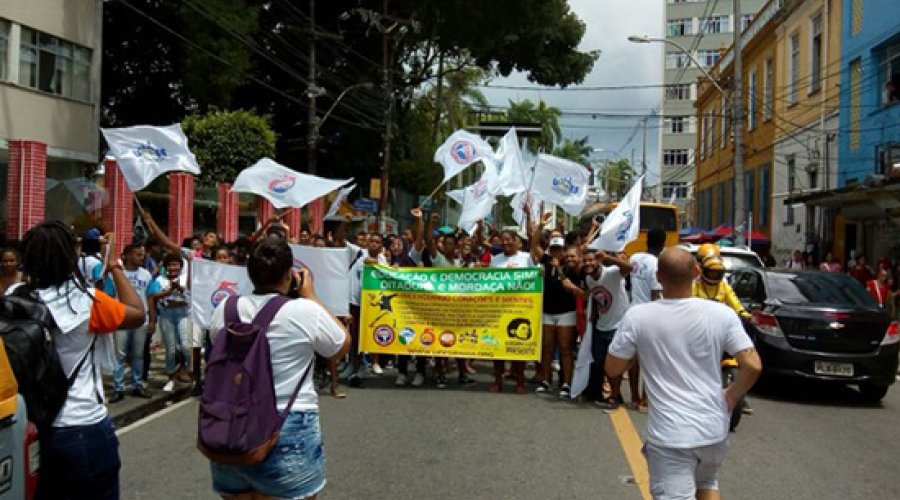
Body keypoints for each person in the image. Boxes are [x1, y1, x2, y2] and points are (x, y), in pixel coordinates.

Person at [605, 247, 762, 500]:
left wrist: (640, 347)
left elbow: (612, 369)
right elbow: (753, 365)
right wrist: (732, 396)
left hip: (671, 436)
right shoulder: (722, 313)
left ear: (658, 277)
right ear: (697, 272)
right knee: (708, 483)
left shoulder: (638, 316)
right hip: (714, 429)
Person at [207, 237, 350, 500]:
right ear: (290, 274)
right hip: (289, 422)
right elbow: (340, 345)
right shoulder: (305, 311)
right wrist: (311, 296)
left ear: (250, 273)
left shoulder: (224, 310)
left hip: (232, 425)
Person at [22, 223, 145, 500]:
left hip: (30, 429)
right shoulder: (86, 301)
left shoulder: (15, 299)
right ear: (70, 256)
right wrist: (113, 266)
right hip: (81, 427)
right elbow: (137, 313)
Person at [575, 248, 632, 408]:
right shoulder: (589, 279)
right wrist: (592, 315)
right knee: (599, 363)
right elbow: (594, 297)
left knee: (613, 364)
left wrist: (608, 257)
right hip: (601, 326)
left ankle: (614, 396)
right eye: (585, 261)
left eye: (591, 260)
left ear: (598, 260)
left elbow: (629, 268)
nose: (588, 263)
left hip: (618, 325)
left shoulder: (612, 273)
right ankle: (598, 393)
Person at [531, 214, 579, 399]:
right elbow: (535, 246)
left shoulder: (570, 264)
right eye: (553, 248)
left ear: (563, 249)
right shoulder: (545, 260)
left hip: (566, 312)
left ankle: (566, 382)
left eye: (559, 248)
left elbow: (568, 282)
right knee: (547, 347)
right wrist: (540, 227)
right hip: (547, 311)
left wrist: (558, 267)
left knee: (566, 348)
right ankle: (546, 379)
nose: (556, 251)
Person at [98, 243, 154, 402]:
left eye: (142, 255)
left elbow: (150, 297)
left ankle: (138, 384)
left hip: (141, 321)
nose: (141, 258)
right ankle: (118, 387)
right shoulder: (115, 275)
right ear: (127, 256)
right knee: (119, 354)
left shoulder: (146, 274)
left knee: (138, 354)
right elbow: (108, 296)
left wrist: (152, 319)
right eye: (138, 255)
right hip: (120, 319)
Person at [488, 229, 536, 394]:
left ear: (517, 241)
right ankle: (497, 381)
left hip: (521, 308)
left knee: (518, 346)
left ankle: (520, 381)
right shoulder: (495, 260)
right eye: (503, 240)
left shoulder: (527, 258)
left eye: (509, 240)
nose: (506, 243)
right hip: (499, 309)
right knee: (497, 346)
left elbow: (536, 274)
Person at [625, 228, 667, 411]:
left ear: (647, 240)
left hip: (632, 311)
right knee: (650, 360)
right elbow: (656, 294)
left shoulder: (634, 257)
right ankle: (645, 400)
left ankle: (633, 396)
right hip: (649, 314)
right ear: (663, 244)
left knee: (633, 360)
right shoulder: (657, 264)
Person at [148, 253, 194, 392]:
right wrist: (167, 292)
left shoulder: (185, 278)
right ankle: (171, 378)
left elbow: (190, 290)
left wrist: (180, 288)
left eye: (176, 265)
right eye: (170, 265)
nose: (173, 268)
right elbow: (153, 296)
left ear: (181, 266)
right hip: (166, 315)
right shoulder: (160, 280)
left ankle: (185, 369)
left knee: (186, 346)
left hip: (183, 313)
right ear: (166, 267)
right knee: (171, 350)